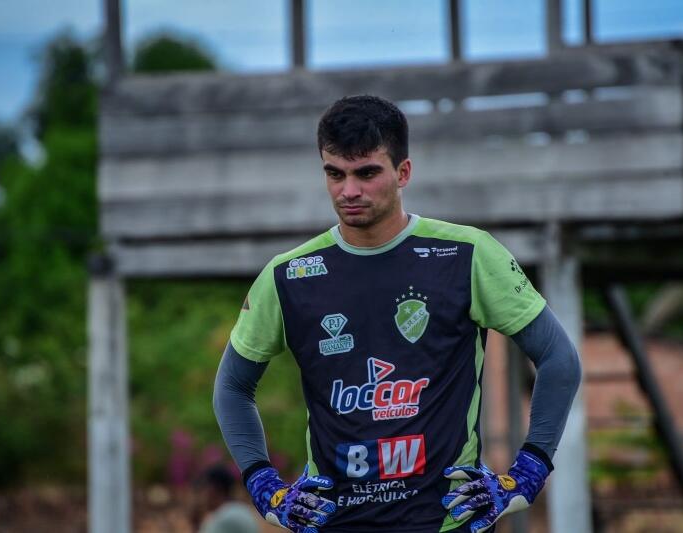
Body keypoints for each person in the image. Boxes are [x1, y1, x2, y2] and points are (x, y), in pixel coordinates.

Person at [213, 95, 581, 533]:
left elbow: (560, 359)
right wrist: (263, 483)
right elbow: (232, 386)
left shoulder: (467, 254)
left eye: (367, 173)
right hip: (334, 524)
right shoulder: (288, 275)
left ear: (403, 172)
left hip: (447, 523)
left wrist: (528, 472)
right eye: (335, 173)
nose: (349, 190)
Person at [193, 464, 260, 533]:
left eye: (204, 487)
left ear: (213, 490)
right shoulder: (242, 509)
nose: (201, 494)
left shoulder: (225, 517)